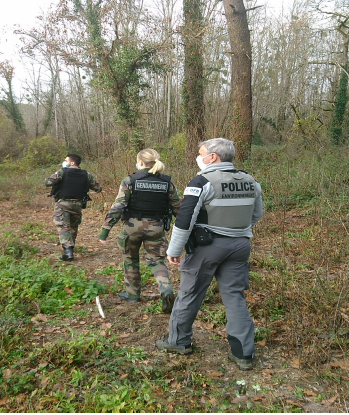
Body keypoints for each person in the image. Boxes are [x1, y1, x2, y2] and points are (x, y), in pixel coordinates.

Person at [155, 138, 264, 371]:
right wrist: (238, 230)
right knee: (235, 296)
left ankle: (178, 342)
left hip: (207, 247)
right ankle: (244, 353)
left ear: (213, 157)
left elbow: (185, 219)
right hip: (241, 245)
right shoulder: (250, 181)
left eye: (201, 153)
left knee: (189, 293)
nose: (198, 156)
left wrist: (174, 250)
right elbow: (257, 214)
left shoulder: (202, 181)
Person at [99, 149, 181, 313]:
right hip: (156, 228)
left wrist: (105, 230)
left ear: (141, 163)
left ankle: (133, 295)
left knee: (130, 260)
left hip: (131, 228)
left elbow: (118, 206)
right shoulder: (167, 183)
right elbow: (178, 208)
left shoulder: (130, 180)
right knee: (157, 261)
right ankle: (166, 291)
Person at [46, 154, 102, 261]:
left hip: (63, 203)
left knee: (63, 226)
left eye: (66, 160)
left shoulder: (62, 172)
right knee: (73, 227)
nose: (64, 162)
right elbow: (98, 188)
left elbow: (48, 182)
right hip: (78, 205)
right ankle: (69, 250)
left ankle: (68, 250)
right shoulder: (86, 174)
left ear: (72, 163)